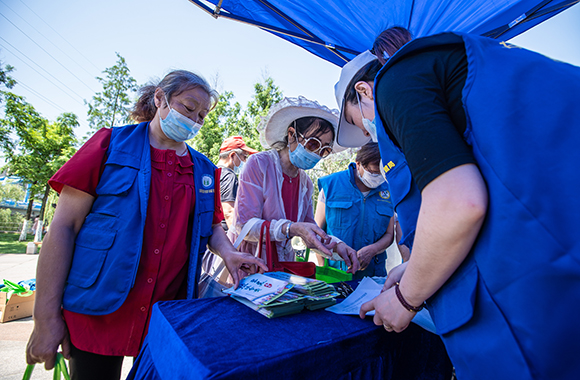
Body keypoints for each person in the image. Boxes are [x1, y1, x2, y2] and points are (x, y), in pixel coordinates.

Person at [334, 27, 580, 379]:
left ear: (364, 91)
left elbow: (458, 203)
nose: (372, 135)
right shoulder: (462, 72)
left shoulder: (396, 80)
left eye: (360, 124)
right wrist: (417, 265)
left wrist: (405, 298)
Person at [25, 70, 267, 379]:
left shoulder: (205, 170)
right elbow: (63, 227)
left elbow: (212, 228)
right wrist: (45, 317)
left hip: (166, 313)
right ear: (159, 99)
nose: (194, 120)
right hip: (97, 308)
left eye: (202, 115)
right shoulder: (108, 145)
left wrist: (230, 254)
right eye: (188, 107)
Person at [228, 96, 359, 272]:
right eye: (313, 144)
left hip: (281, 266)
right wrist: (291, 228)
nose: (317, 154)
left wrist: (336, 246)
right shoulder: (259, 164)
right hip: (249, 264)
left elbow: (308, 231)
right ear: (292, 135)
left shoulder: (305, 183)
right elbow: (244, 226)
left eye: (324, 150)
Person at [315, 142, 403, 279]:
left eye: (382, 173)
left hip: (374, 274)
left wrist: (373, 249)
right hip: (335, 273)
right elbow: (316, 232)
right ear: (358, 164)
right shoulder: (331, 185)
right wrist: (322, 269)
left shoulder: (389, 190)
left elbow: (389, 234)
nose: (378, 178)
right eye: (374, 173)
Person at [216, 136, 258, 231]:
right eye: (244, 157)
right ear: (232, 155)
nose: (245, 161)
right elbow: (229, 212)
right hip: (226, 234)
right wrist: (237, 241)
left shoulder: (213, 172)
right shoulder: (228, 176)